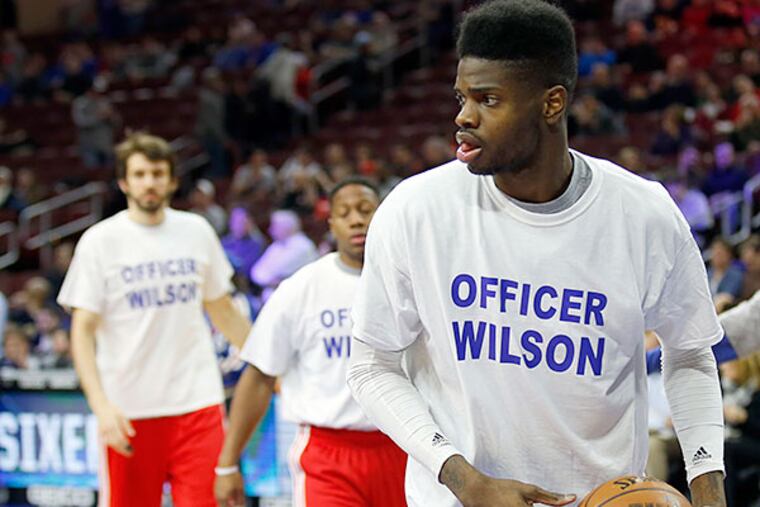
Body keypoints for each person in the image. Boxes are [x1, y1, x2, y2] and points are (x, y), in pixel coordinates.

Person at [346, 2, 726, 506]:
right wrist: (464, 479)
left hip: (602, 495)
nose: (464, 115)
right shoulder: (415, 210)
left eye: (488, 99)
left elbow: (690, 354)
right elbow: (371, 365)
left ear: (552, 104)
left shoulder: (644, 214)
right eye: (461, 96)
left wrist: (708, 487)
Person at [57, 132, 252, 507]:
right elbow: (82, 332)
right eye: (141, 173)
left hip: (197, 403)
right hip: (129, 410)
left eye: (158, 173)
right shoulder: (100, 241)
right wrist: (101, 406)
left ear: (172, 180)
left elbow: (222, 309)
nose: (150, 182)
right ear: (124, 181)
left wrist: (268, 365)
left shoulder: (196, 231)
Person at [214, 178, 407, 507]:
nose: (357, 220)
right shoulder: (301, 288)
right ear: (331, 224)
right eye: (345, 213)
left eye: (365, 210)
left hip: (404, 448)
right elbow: (260, 376)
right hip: (328, 454)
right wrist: (227, 462)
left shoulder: (412, 280)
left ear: (383, 214)